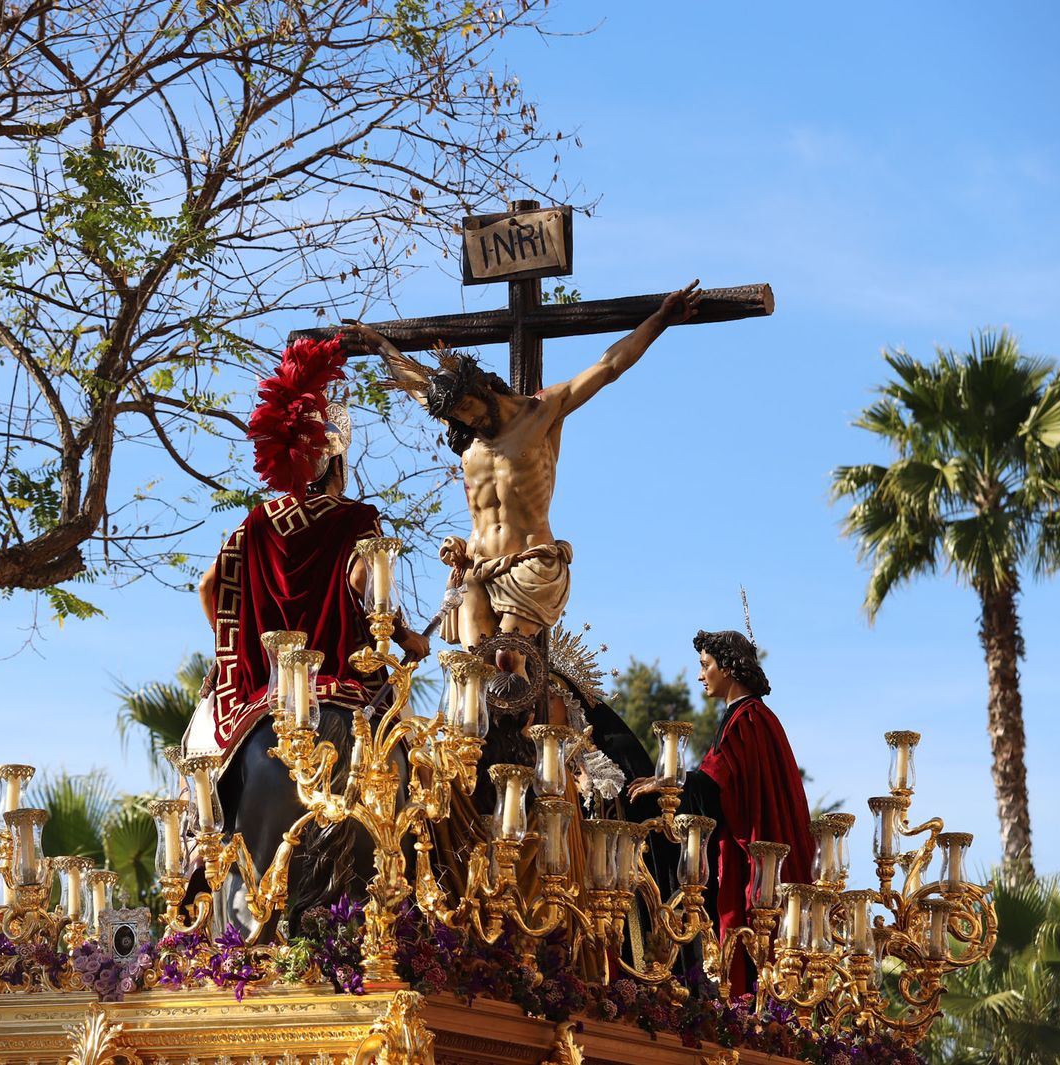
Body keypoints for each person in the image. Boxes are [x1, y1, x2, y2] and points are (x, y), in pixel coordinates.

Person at [180, 335, 428, 929]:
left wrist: (230, 655)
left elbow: (207, 588)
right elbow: (372, 587)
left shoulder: (253, 524)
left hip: (257, 704)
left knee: (196, 757)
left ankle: (195, 867)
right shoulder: (356, 520)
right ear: (336, 462)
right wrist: (410, 640)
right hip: (338, 697)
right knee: (420, 799)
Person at [345, 282, 702, 687]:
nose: (468, 421)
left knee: (506, 658)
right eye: (458, 417)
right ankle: (479, 749)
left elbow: (608, 367)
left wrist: (660, 320)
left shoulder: (542, 412)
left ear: (482, 389)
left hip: (531, 563)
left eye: (467, 408)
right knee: (472, 678)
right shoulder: (467, 431)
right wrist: (379, 345)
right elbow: (415, 386)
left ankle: (536, 735)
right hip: (476, 568)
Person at [628, 630, 814, 994]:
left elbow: (717, 783)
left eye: (705, 665)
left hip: (752, 861)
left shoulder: (748, 720)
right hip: (749, 852)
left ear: (727, 668)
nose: (700, 675)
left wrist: (668, 783)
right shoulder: (750, 717)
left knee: (743, 941)